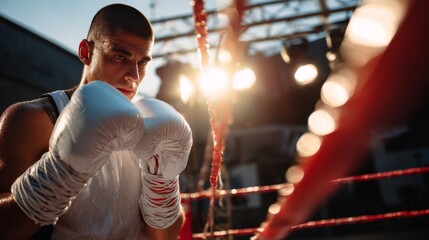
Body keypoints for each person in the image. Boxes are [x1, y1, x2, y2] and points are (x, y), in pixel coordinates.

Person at [0, 4, 192, 240]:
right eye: (120, 56)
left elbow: (163, 236)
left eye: (142, 62)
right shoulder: (34, 120)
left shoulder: (152, 125)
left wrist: (162, 185)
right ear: (86, 52)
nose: (133, 75)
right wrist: (58, 175)